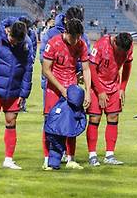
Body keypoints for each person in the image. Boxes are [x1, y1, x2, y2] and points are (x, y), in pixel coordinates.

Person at [0, 20, 34, 171]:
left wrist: (24, 93)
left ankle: (8, 159)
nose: (15, 43)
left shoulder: (26, 42)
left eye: (18, 41)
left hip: (14, 90)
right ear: (8, 31)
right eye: (13, 39)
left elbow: (28, 68)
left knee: (11, 122)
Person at [42, 18, 91, 169]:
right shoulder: (53, 43)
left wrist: (88, 92)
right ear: (66, 32)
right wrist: (61, 89)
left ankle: (71, 158)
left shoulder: (81, 44)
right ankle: (47, 159)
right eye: (73, 37)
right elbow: (46, 70)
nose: (76, 40)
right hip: (54, 88)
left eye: (78, 37)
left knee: (72, 121)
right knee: (50, 123)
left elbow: (86, 69)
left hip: (72, 87)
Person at [86, 32, 133, 166]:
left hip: (114, 87)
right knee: (95, 119)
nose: (121, 54)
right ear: (114, 42)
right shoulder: (101, 45)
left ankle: (109, 155)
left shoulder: (128, 47)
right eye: (119, 50)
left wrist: (122, 87)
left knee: (113, 118)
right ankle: (92, 155)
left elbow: (127, 66)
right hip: (97, 86)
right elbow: (92, 68)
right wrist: (100, 91)